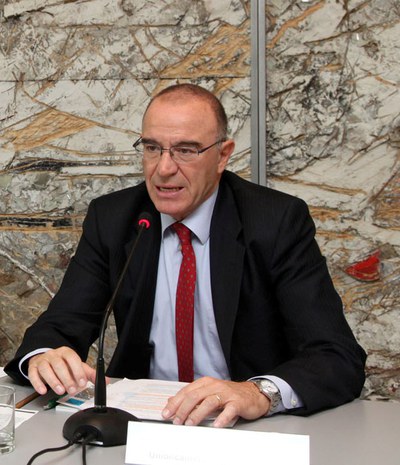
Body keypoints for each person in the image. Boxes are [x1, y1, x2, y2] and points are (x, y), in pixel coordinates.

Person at [5, 83, 366, 428]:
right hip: (141, 424)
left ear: (222, 155)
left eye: (186, 150)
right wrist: (45, 357)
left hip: (240, 428)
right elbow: (58, 328)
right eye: (152, 148)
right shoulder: (115, 218)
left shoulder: (274, 221)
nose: (163, 169)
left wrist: (258, 393)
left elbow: (336, 356)